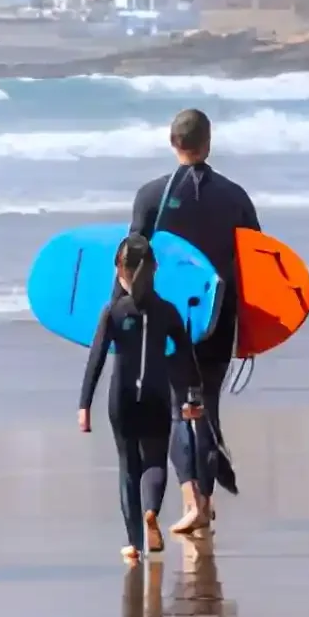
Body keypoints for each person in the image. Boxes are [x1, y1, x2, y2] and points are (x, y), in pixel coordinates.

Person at [129, 108, 259, 534]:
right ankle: (205, 500)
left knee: (179, 410)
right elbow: (258, 264)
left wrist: (120, 321)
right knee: (207, 407)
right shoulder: (235, 196)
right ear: (209, 142)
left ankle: (195, 503)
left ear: (172, 143)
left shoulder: (151, 196)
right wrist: (252, 329)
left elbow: (132, 263)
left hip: (171, 322)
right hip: (221, 318)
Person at [78, 235, 204, 564]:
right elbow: (187, 355)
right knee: (154, 462)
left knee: (128, 468)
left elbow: (96, 358)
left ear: (119, 270)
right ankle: (151, 513)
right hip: (157, 396)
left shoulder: (113, 312)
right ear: (155, 269)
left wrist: (84, 405)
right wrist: (193, 395)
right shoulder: (167, 312)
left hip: (121, 400)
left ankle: (134, 543)